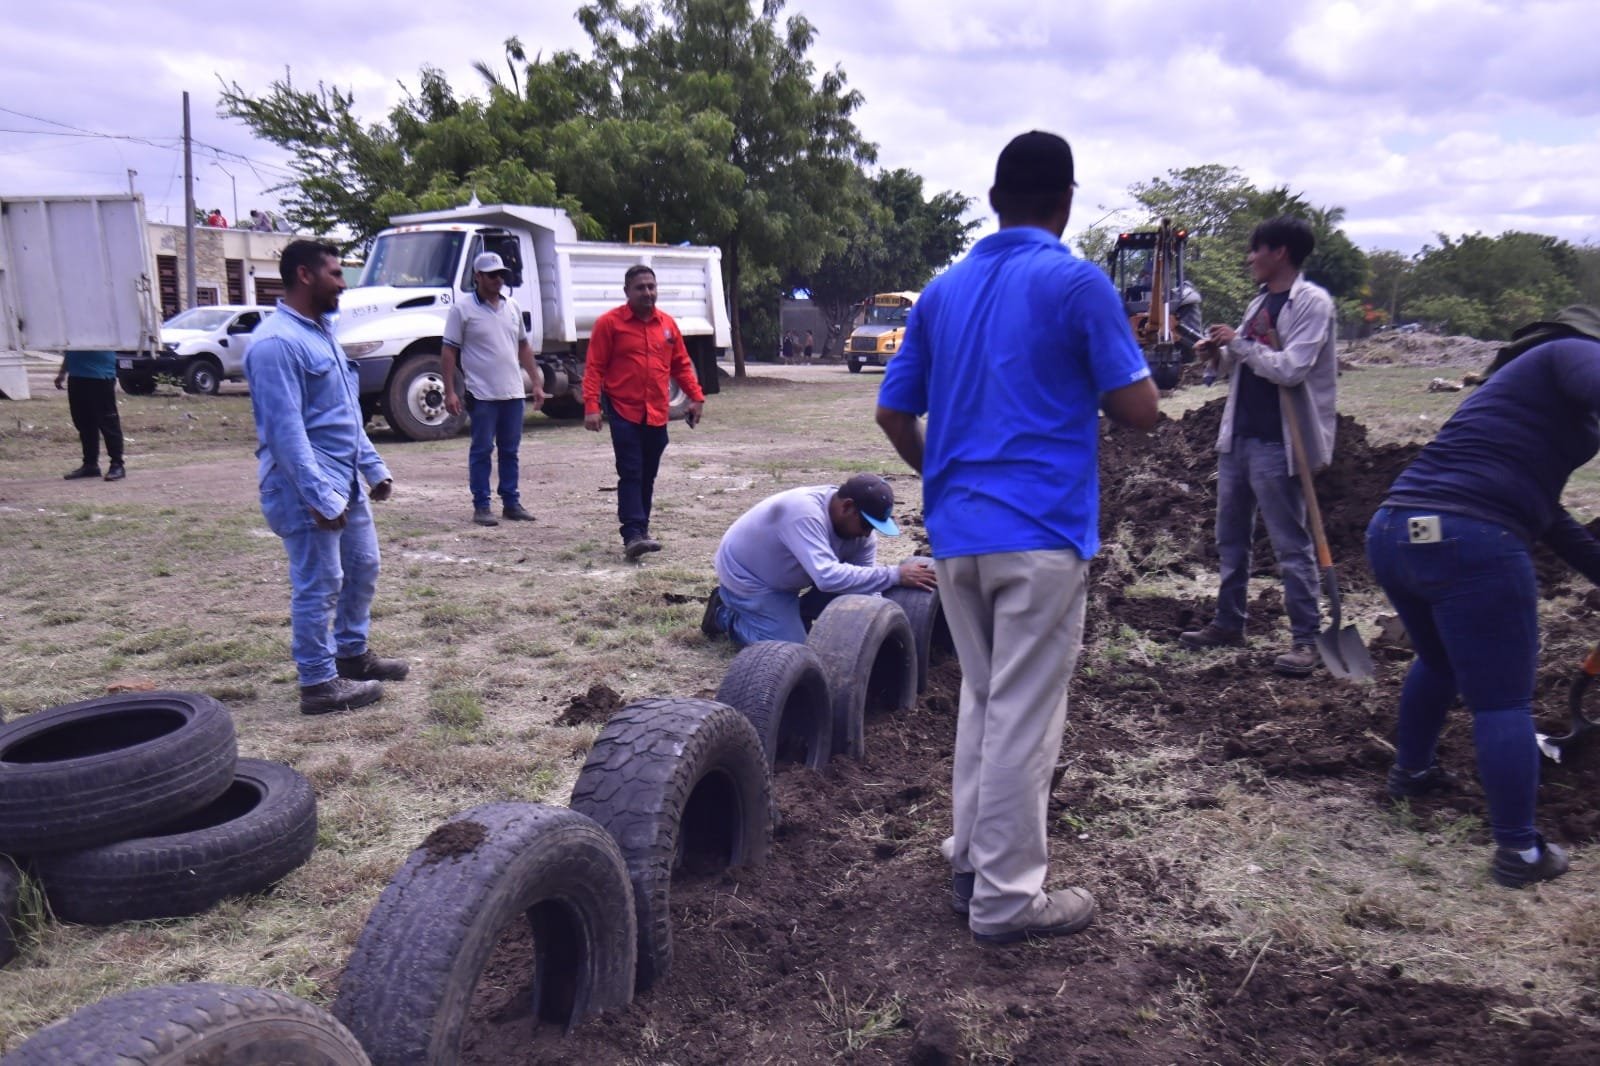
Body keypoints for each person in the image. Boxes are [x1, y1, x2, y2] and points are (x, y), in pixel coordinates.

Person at [876, 131, 1159, 945]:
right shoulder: (1076, 281)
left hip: (958, 536)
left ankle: (971, 859)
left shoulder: (940, 292)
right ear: (1065, 204)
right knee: (1027, 718)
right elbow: (1137, 411)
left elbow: (894, 412)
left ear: (994, 201)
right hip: (1039, 535)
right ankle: (1005, 899)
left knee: (985, 698)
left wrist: (945, 480)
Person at [1365, 322, 1600, 888]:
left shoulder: (1518, 409)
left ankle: (1412, 772)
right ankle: (1519, 853)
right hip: (1472, 542)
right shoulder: (1569, 350)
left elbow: (1544, 512)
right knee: (1502, 702)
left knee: (1441, 660)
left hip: (1398, 529)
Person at [244, 240, 409, 716]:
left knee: (363, 568)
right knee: (320, 583)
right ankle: (317, 683)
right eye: (336, 274)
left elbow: (343, 417)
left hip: (346, 482)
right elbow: (285, 431)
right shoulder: (277, 343)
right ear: (304, 276)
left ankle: (351, 657)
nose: (343, 283)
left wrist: (373, 468)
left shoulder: (320, 333)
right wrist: (318, 495)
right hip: (305, 487)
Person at [1179, 217, 1337, 677]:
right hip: (1240, 437)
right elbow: (1237, 364)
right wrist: (1218, 353)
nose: (1250, 258)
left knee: (1290, 545)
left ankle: (1306, 640)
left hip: (1280, 442)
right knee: (1230, 539)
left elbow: (1291, 369)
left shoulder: (1312, 304)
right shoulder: (1258, 303)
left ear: (1280, 252)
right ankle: (1229, 622)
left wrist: (1241, 345)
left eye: (1256, 250)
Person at [702, 474, 937, 644]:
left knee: (853, 583)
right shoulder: (803, 513)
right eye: (866, 524)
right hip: (751, 579)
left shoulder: (861, 535)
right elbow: (827, 578)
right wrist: (895, 575)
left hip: (794, 575)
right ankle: (724, 615)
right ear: (847, 507)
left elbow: (863, 588)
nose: (868, 533)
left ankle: (797, 613)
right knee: (791, 651)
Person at [583, 264, 706, 561]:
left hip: (656, 412)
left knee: (648, 474)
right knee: (631, 470)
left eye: (651, 286)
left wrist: (696, 397)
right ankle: (632, 534)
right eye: (641, 287)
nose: (648, 292)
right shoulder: (609, 324)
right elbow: (594, 368)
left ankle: (642, 529)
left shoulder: (666, 325)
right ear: (627, 291)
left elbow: (680, 364)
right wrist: (591, 407)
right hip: (623, 409)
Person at [441, 252, 545, 527]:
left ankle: (511, 502)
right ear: (477, 276)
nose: (498, 279)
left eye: (501, 274)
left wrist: (535, 381)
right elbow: (449, 350)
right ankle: (482, 504)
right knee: (482, 450)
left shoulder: (512, 307)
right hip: (482, 393)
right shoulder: (462, 310)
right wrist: (449, 390)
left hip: (512, 392)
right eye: (491, 274)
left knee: (510, 450)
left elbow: (523, 346)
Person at [54, 350, 125, 482]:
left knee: (108, 422)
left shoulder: (102, 330)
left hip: (101, 376)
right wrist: (62, 372)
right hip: (77, 376)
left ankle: (117, 465)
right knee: (84, 423)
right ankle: (90, 465)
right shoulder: (72, 330)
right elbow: (69, 349)